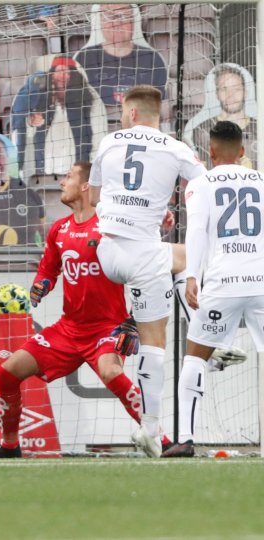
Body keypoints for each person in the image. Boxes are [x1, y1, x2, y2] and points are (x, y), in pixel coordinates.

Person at [0, 161, 173, 457]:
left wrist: (159, 219)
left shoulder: (110, 226)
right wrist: (39, 287)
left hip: (108, 327)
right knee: (8, 372)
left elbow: (145, 262)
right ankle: (10, 445)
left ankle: (161, 440)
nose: (62, 183)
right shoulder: (58, 229)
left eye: (68, 177)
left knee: (111, 371)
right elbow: (49, 269)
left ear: (86, 185)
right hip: (68, 329)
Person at [88, 85, 207, 457]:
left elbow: (93, 198)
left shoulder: (108, 142)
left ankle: (151, 433)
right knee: (157, 337)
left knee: (175, 260)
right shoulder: (175, 148)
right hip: (142, 255)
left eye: (123, 111)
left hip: (108, 251)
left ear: (133, 113)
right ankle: (152, 426)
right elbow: (206, 188)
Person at [162, 122, 264, 457]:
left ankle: (187, 440)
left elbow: (197, 231)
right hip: (261, 282)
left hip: (223, 284)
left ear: (212, 152)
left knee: (195, 355)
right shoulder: (261, 181)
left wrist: (192, 276)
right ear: (244, 152)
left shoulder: (201, 182)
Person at [11, 55, 107, 177]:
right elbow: (23, 135)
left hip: (77, 172)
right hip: (45, 171)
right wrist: (30, 122)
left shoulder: (91, 99)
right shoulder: (38, 96)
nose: (62, 76)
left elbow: (99, 137)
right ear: (52, 75)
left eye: (67, 72)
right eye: (59, 71)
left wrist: (92, 170)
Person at [74, 4, 167, 108]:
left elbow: (160, 107)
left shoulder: (153, 59)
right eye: (109, 16)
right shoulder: (83, 58)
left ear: (133, 22)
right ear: (100, 21)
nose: (117, 23)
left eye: (124, 16)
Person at [184, 63, 257, 170]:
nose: (230, 95)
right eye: (224, 89)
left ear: (245, 93)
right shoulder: (201, 131)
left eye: (236, 89)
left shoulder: (260, 130)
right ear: (217, 94)